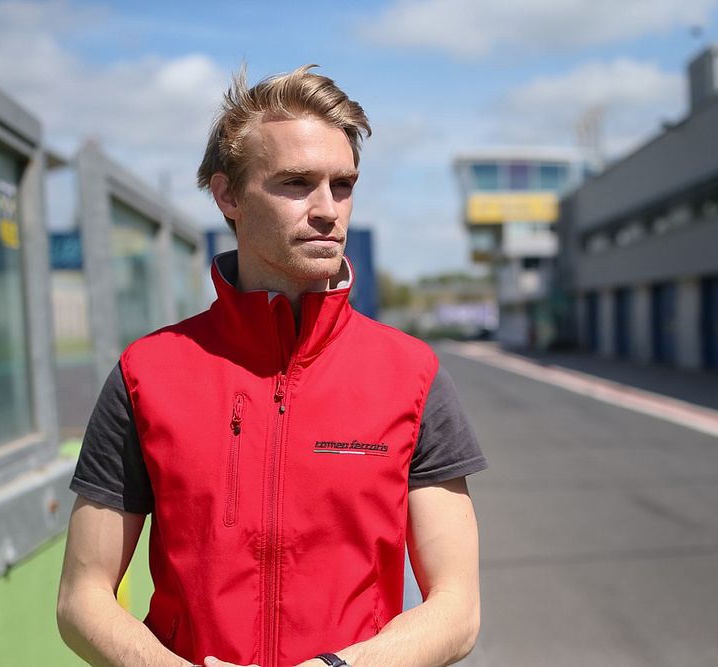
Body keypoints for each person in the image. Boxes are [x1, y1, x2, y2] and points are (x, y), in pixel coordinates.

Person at [57, 64, 487, 667]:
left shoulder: (411, 375)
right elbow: (81, 597)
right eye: (295, 183)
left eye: (342, 185)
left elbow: (457, 607)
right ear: (227, 194)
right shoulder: (145, 374)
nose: (327, 210)